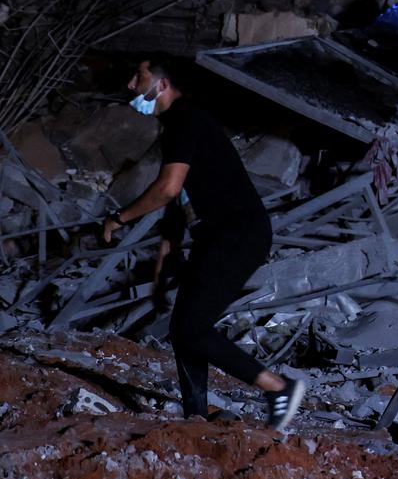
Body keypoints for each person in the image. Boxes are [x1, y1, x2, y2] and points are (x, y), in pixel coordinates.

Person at [101, 58, 304, 431]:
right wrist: (165, 260)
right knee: (183, 327)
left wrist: (119, 218)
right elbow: (181, 201)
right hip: (218, 235)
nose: (131, 85)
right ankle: (195, 417)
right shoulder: (180, 124)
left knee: (193, 328)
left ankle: (279, 387)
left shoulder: (185, 119)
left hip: (238, 234)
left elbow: (168, 189)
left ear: (161, 84)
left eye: (138, 77)